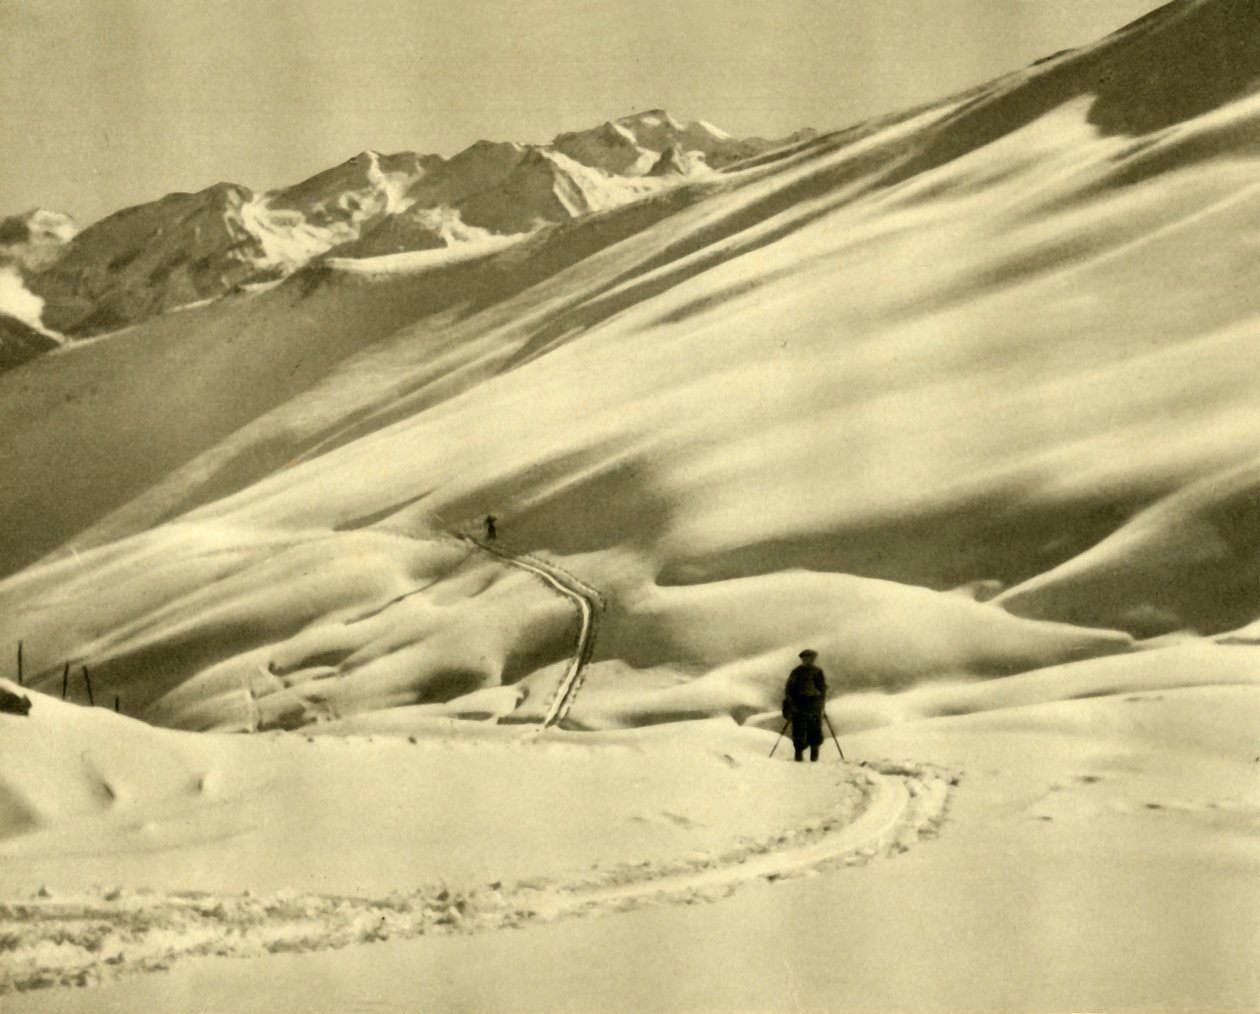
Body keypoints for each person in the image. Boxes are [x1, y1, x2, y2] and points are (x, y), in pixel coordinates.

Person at [782, 649, 827, 762]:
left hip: (814, 705)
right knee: (799, 731)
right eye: (805, 658)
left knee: (815, 731)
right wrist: (792, 705)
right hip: (799, 705)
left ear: (813, 659)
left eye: (810, 657)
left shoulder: (818, 672)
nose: (808, 660)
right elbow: (789, 690)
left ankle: (814, 759)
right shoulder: (796, 672)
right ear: (802, 659)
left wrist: (821, 704)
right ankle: (798, 758)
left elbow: (822, 689)